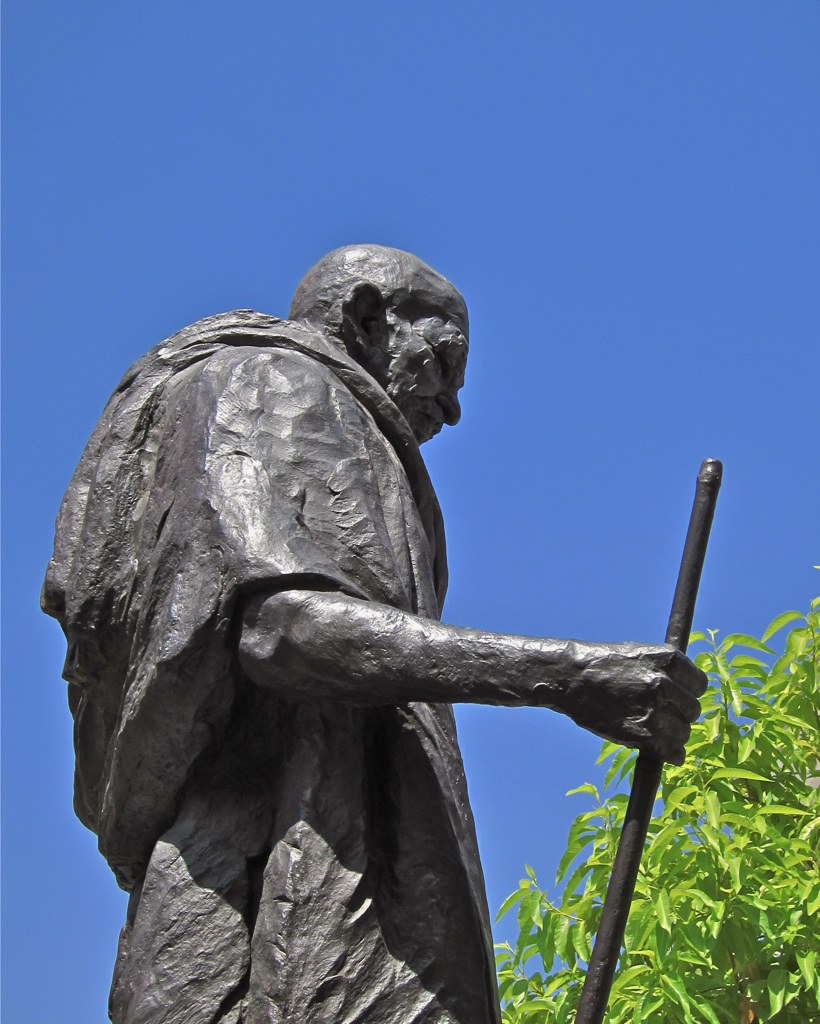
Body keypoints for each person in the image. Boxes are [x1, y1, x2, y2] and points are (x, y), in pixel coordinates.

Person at [42, 244, 706, 1024]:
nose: (453, 407)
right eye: (442, 360)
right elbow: (282, 628)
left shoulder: (338, 426)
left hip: (324, 893)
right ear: (365, 316)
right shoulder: (277, 384)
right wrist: (570, 676)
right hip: (278, 906)